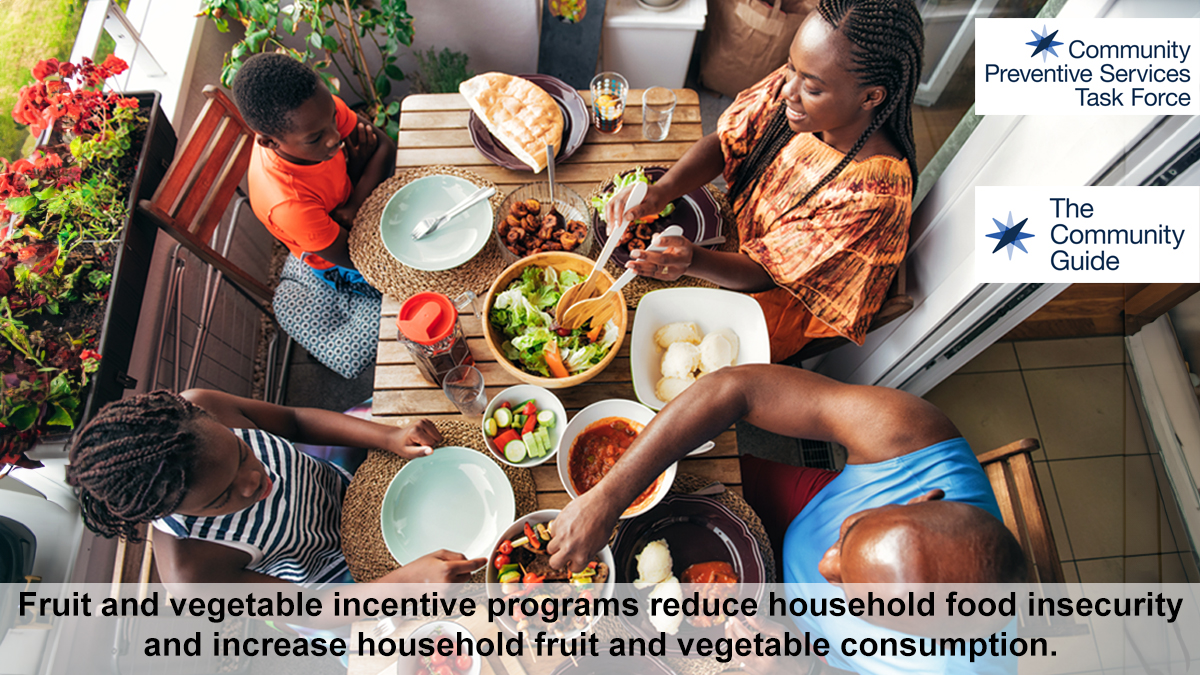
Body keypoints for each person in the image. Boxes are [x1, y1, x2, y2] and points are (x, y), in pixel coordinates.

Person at [547, 365, 1026, 674]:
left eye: (856, 602)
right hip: (801, 510)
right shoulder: (911, 437)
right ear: (921, 500)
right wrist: (607, 497)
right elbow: (736, 390)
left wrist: (797, 666)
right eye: (852, 537)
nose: (826, 567)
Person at [605, 0, 923, 362]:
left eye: (812, 88)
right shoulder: (800, 85)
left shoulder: (872, 197)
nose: (788, 90)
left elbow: (768, 274)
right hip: (733, 238)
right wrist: (662, 191)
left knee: (647, 345)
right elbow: (728, 143)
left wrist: (692, 260)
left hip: (770, 304)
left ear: (871, 97)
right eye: (791, 68)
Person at [65, 389, 485, 590]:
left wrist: (389, 437)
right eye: (223, 497)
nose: (255, 480)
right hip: (336, 581)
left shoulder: (204, 408)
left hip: (342, 488)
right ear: (170, 511)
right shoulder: (192, 571)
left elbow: (295, 419)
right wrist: (405, 583)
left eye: (243, 451)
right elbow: (310, 611)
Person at [233, 53, 395, 296]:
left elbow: (386, 147)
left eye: (333, 118)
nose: (334, 137)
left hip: (351, 208)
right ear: (269, 142)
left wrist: (353, 207)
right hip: (339, 263)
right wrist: (361, 171)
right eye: (315, 139)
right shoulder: (288, 205)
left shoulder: (315, 113)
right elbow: (360, 256)